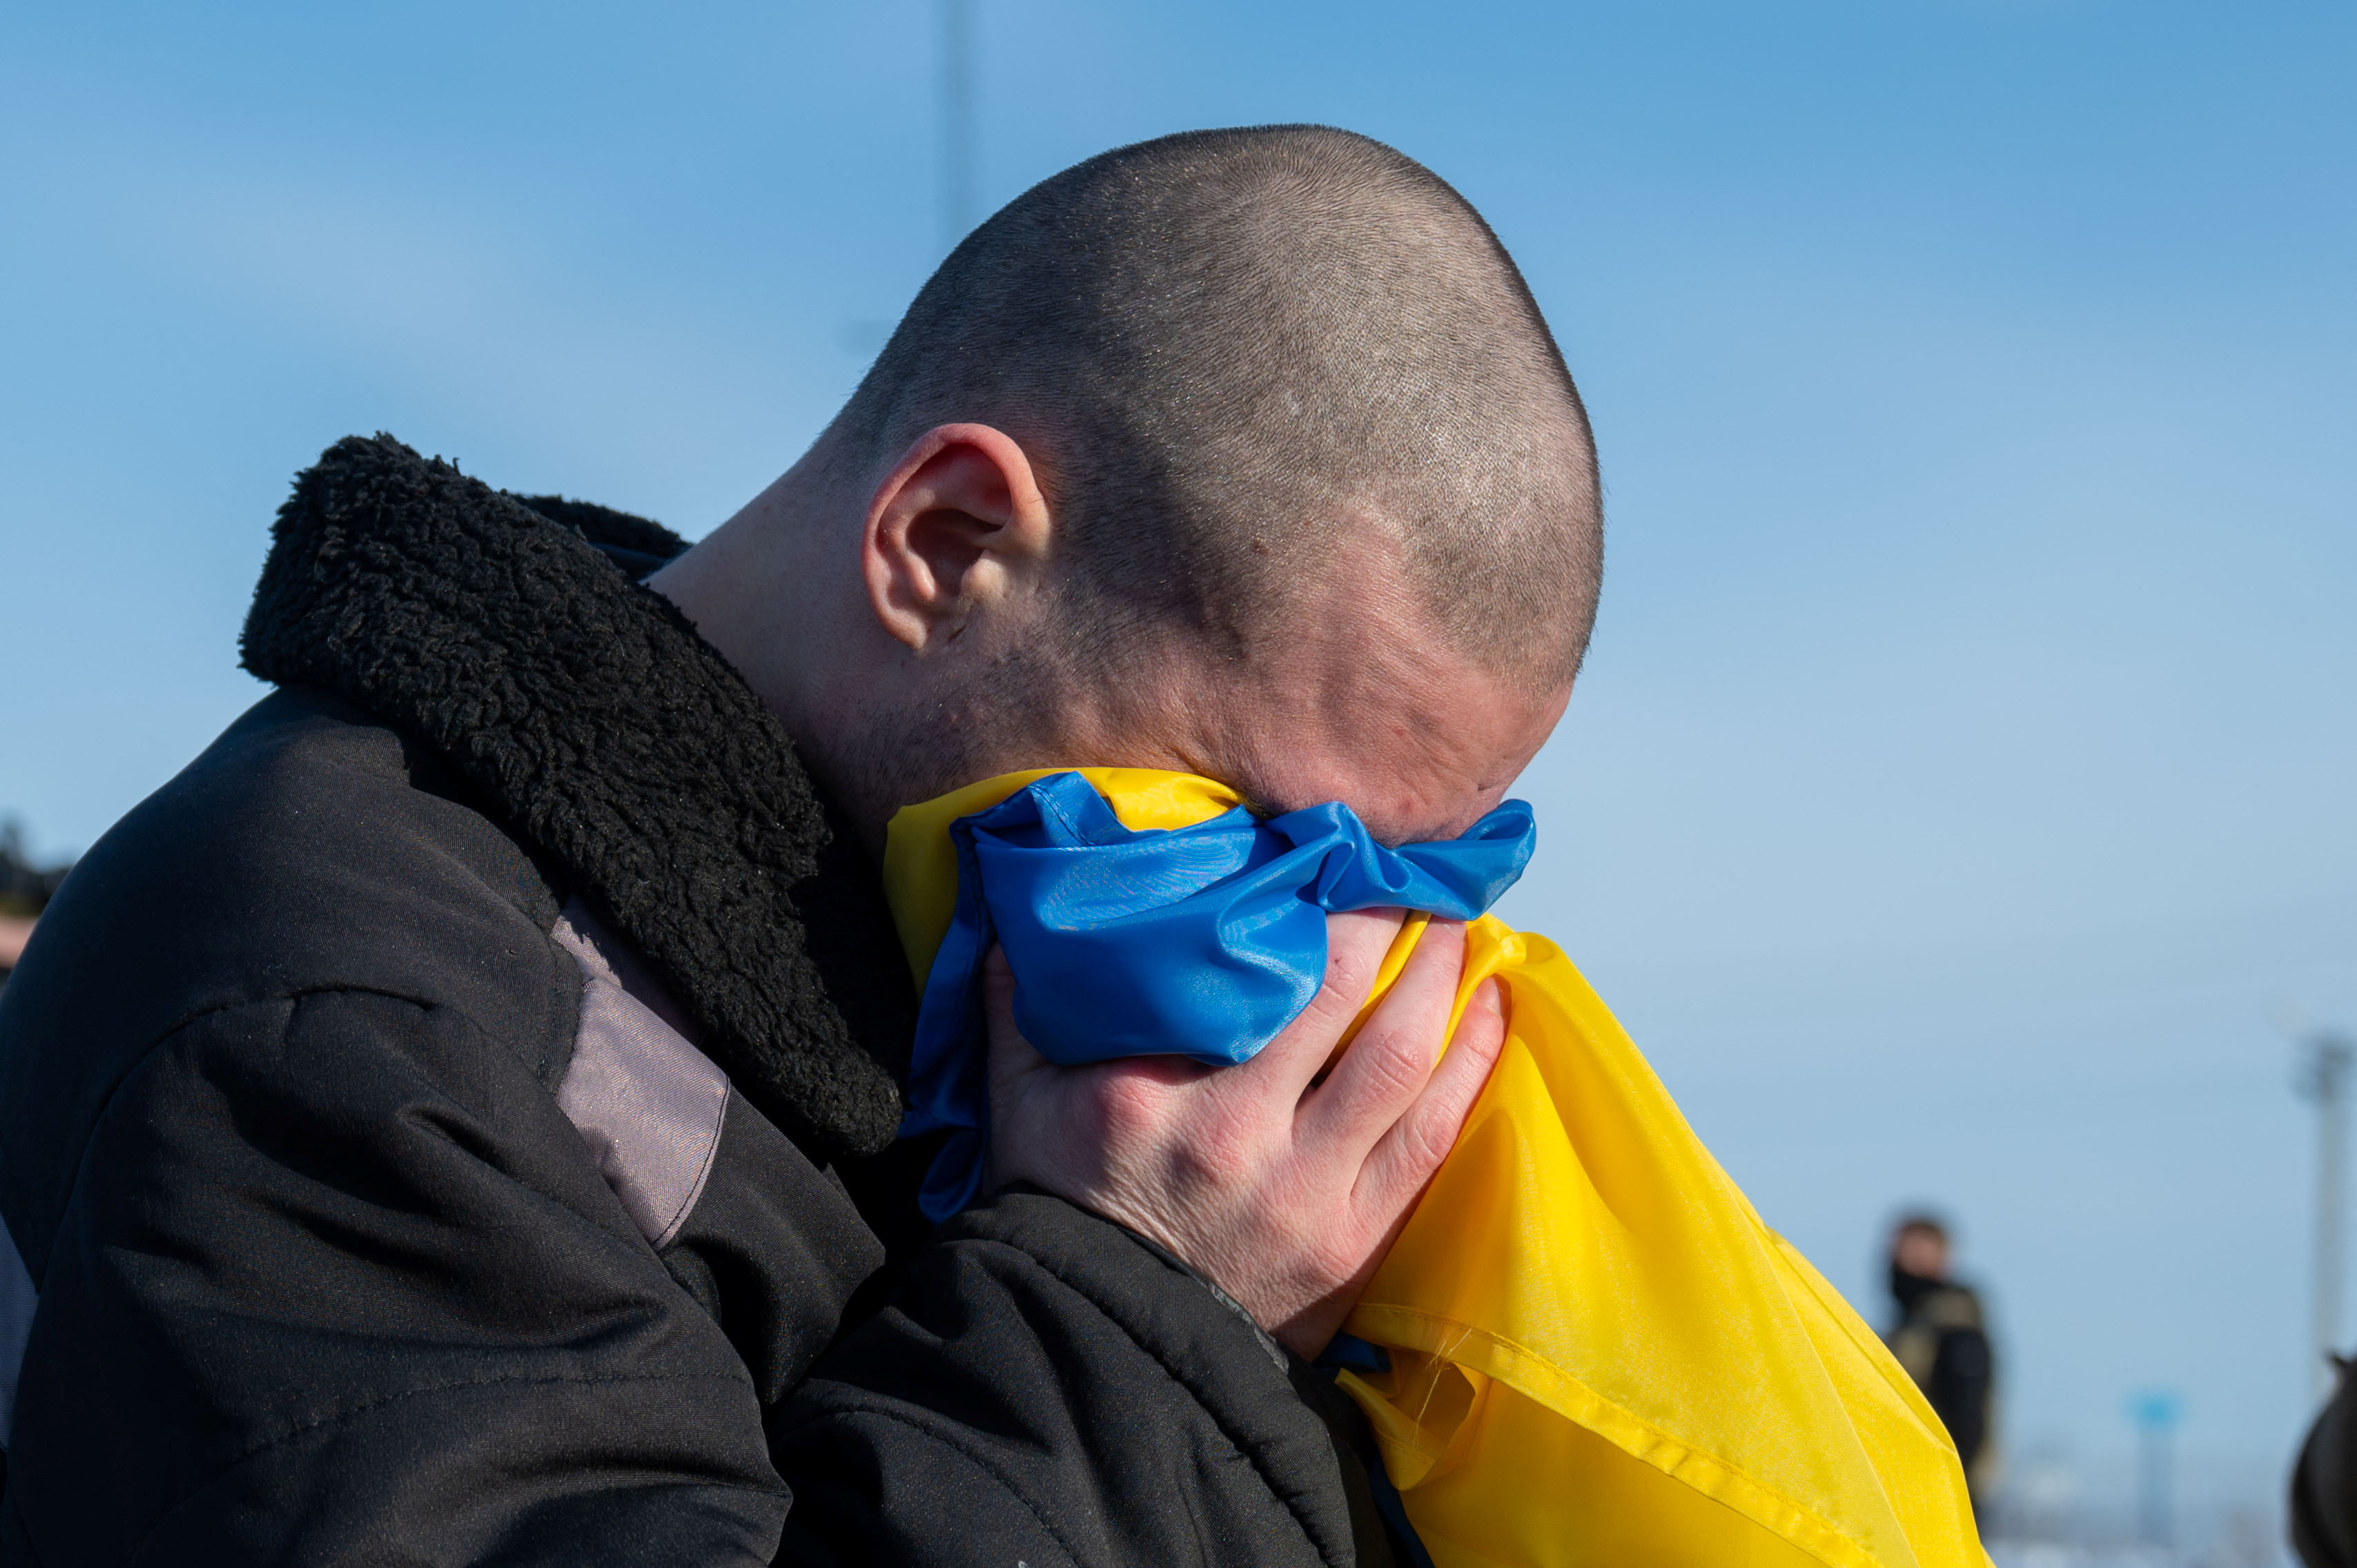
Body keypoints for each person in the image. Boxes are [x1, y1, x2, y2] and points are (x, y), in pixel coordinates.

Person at [0, 125, 1598, 1566]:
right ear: (943, 547)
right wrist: (1140, 1305)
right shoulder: (341, 1012)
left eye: (1402, 884)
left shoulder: (955, 1011)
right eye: (1250, 835)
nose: (1313, 964)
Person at [1885, 1213, 1997, 1507]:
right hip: (1908, 1478)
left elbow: (1968, 1412)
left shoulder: (1954, 1322)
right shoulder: (1911, 1323)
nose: (1904, 1262)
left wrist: (1956, 1483)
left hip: (1937, 1483)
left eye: (1918, 1253)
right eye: (1900, 1252)